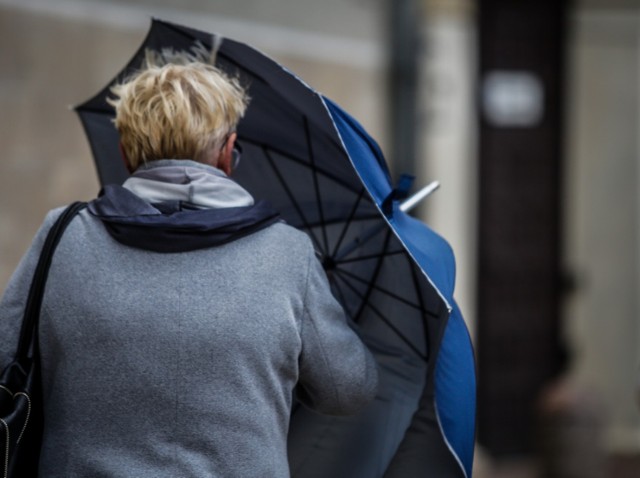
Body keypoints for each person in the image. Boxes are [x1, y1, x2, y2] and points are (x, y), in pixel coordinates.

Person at [0, 48, 378, 477]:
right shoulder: (287, 254)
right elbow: (348, 390)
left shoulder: (62, 235)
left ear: (125, 151)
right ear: (227, 153)